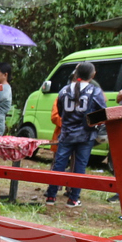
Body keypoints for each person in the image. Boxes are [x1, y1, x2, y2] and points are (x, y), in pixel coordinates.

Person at [45, 62, 107, 208]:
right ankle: (73, 199)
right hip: (86, 135)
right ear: (93, 75)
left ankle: (51, 196)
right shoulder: (94, 91)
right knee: (80, 166)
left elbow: (60, 112)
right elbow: (103, 112)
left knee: (59, 163)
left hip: (66, 133)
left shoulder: (64, 90)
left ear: (76, 73)